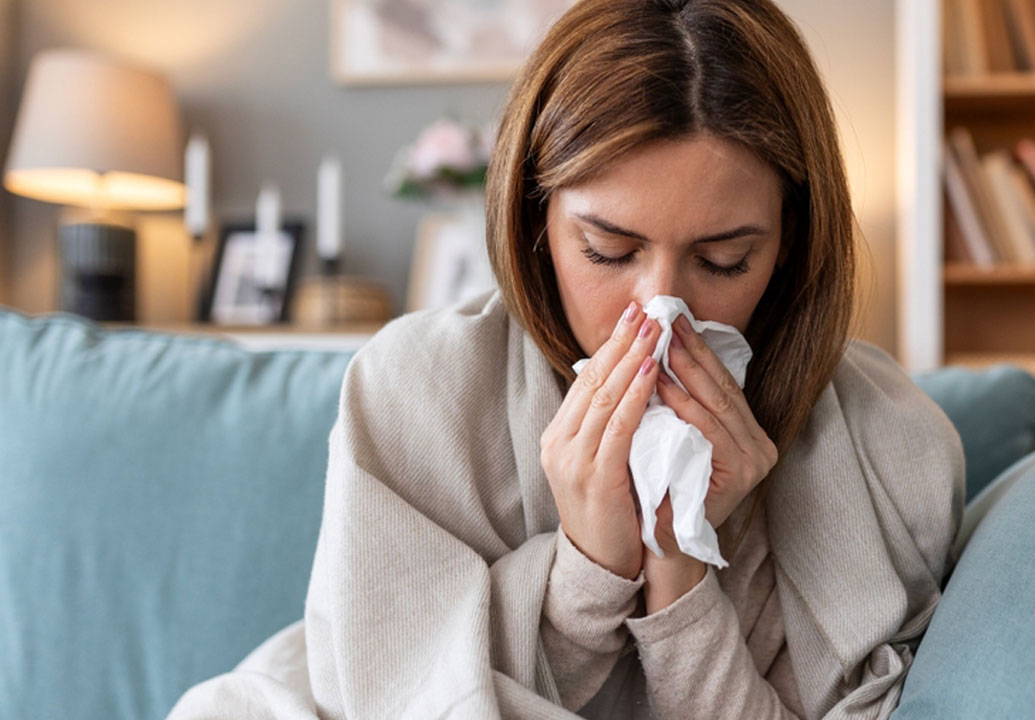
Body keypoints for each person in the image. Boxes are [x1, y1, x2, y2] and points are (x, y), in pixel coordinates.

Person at [167, 0, 964, 718]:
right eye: (608, 250)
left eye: (724, 261)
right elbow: (387, 693)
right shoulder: (411, 390)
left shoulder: (891, 448)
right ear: (535, 223)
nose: (661, 312)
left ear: (789, 247)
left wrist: (677, 568)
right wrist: (589, 570)